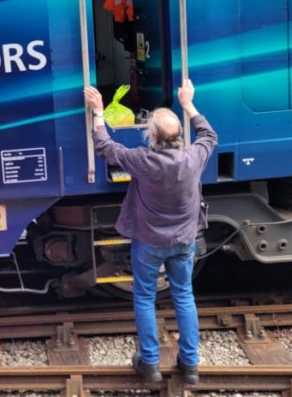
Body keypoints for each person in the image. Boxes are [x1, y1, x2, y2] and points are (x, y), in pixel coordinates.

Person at [84, 80, 217, 385]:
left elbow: (105, 146)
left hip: (148, 243)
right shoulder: (193, 158)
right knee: (184, 296)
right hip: (184, 241)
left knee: (145, 298)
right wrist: (188, 104)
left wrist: (98, 112)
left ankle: (151, 364)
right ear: (179, 136)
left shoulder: (142, 161)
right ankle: (191, 365)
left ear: (152, 137)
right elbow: (209, 135)